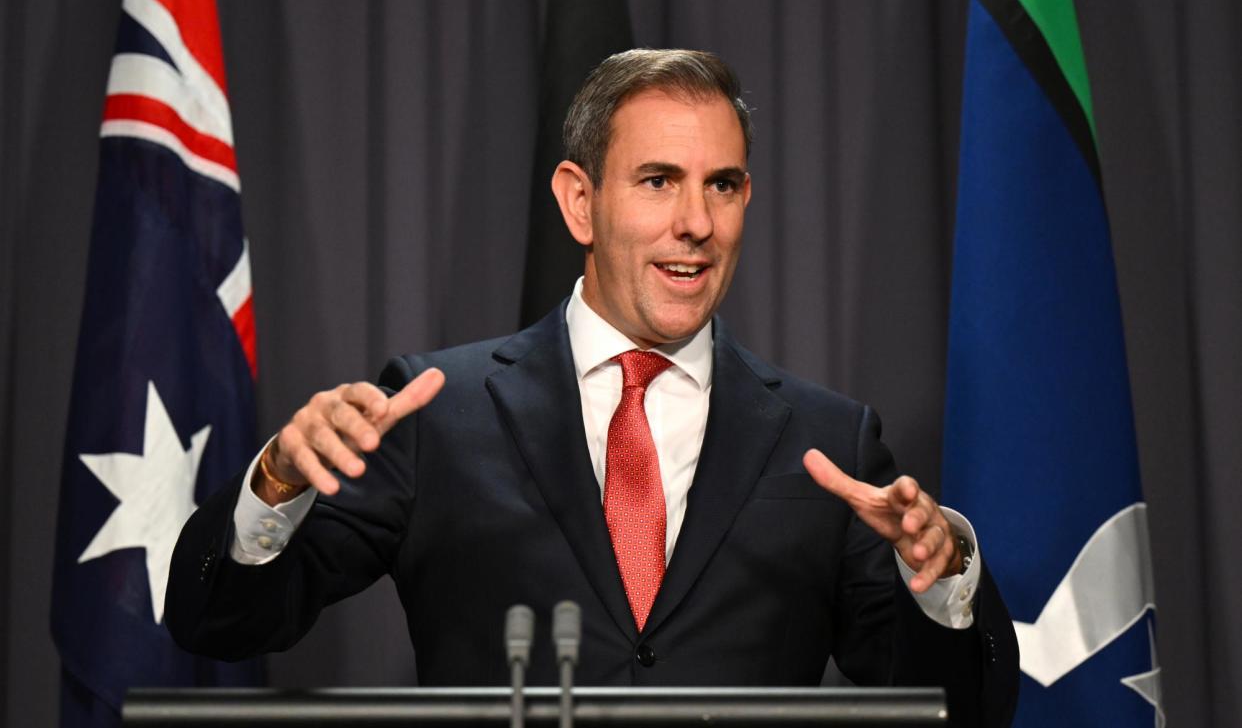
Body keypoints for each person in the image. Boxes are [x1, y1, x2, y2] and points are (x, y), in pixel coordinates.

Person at [167, 49, 1018, 726]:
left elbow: (962, 710)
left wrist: (943, 577)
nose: (696, 222)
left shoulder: (828, 441)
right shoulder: (438, 411)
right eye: (659, 181)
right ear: (580, 203)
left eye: (721, 185)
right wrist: (274, 487)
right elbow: (221, 623)